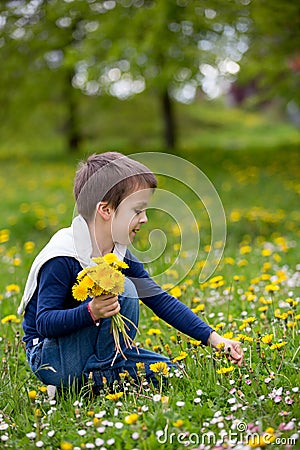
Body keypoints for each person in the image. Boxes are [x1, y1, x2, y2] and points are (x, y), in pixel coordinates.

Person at [18, 152, 243, 392]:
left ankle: (99, 376)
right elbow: (44, 323)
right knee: (124, 287)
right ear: (106, 210)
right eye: (137, 210)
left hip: (94, 352)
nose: (144, 219)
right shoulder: (63, 256)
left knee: (170, 373)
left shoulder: (118, 253)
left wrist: (215, 339)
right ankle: (93, 379)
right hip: (51, 358)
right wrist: (91, 312)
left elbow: (159, 299)